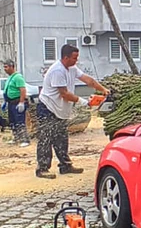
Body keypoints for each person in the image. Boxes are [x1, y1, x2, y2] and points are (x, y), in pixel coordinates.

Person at [36, 44, 109, 179]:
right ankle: (42, 168)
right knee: (46, 138)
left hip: (60, 110)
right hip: (47, 108)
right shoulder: (57, 71)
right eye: (74, 58)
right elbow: (64, 94)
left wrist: (103, 89)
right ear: (66, 57)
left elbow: (88, 80)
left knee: (62, 138)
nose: (77, 60)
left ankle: (65, 165)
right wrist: (84, 102)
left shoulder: (72, 68)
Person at [3, 60, 30, 147]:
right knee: (13, 121)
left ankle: (25, 139)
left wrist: (21, 102)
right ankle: (16, 138)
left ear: (12, 67)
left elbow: (22, 90)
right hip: (10, 103)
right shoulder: (10, 77)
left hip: (17, 102)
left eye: (6, 67)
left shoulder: (18, 77)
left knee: (20, 121)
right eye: (4, 67)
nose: (5, 69)